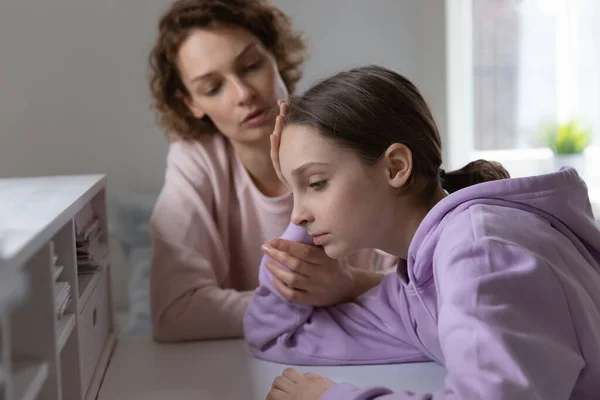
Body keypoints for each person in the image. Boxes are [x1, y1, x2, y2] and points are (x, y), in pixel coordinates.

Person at [244, 65, 600, 399]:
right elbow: (275, 335)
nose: (298, 214)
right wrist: (299, 191)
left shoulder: (478, 255)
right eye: (295, 191)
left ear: (396, 167)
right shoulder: (415, 285)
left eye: (317, 183)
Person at [148, 0, 394, 342]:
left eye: (250, 66)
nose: (244, 94)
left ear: (275, 55)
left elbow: (427, 290)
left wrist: (348, 284)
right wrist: (322, 298)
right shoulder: (196, 161)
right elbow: (175, 313)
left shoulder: (349, 131)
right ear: (191, 103)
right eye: (213, 88)